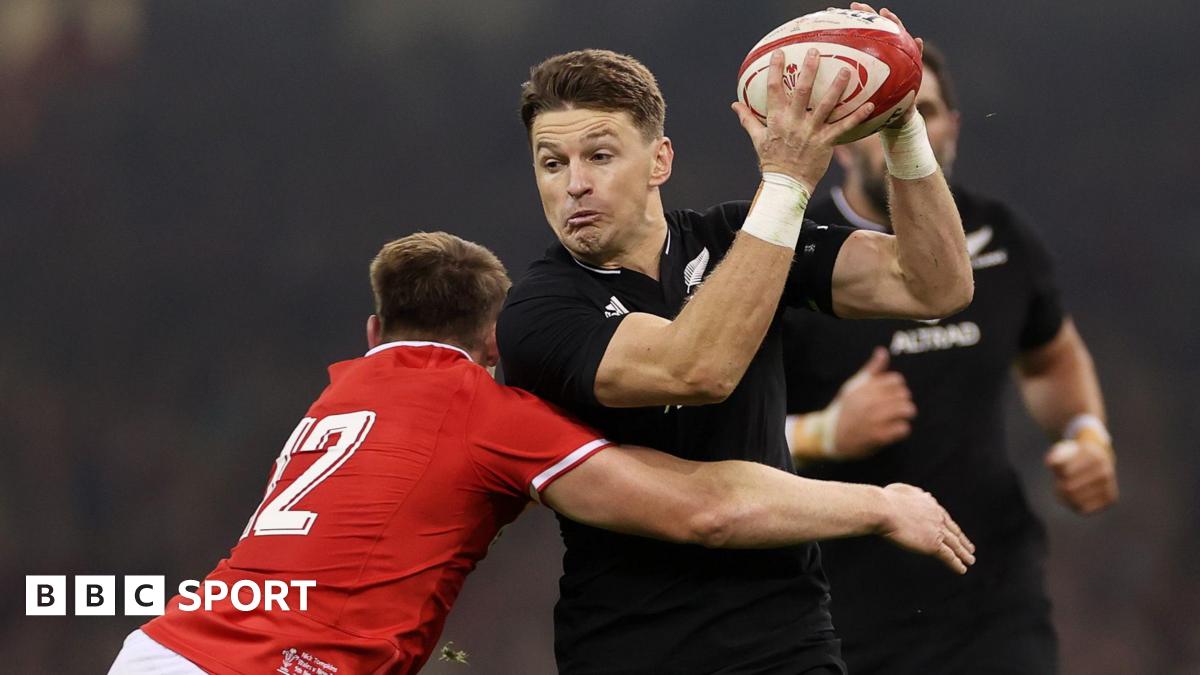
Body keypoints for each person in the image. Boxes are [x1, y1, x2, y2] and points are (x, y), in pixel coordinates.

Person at [106, 232, 973, 675]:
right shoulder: (486, 411)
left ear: (374, 329)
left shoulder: (342, 392)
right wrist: (881, 502)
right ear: (494, 337)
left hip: (161, 648)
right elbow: (702, 507)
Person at [497, 6, 974, 673]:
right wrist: (785, 183)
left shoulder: (733, 238)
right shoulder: (537, 313)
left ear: (659, 159)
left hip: (788, 642)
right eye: (552, 162)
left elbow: (934, 285)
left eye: (599, 155)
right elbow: (696, 368)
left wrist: (902, 129)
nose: (574, 183)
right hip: (633, 651)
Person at [780, 42, 1119, 674]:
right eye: (880, 115)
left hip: (995, 599)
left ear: (952, 128)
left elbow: (1051, 358)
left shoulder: (1003, 238)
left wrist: (1087, 435)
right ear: (844, 140)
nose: (904, 129)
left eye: (920, 111)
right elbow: (717, 438)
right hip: (839, 610)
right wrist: (823, 433)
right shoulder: (792, 257)